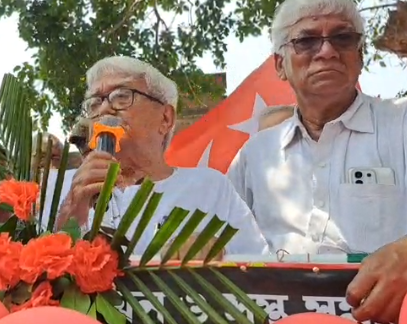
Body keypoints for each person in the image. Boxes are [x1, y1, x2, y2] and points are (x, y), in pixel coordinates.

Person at [226, 0, 407, 323]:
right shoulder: (255, 155)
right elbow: (219, 242)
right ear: (280, 65)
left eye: (342, 38)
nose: (326, 51)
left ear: (360, 55)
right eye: (306, 40)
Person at [50, 56, 270, 258]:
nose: (105, 108)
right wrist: (71, 211)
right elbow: (37, 271)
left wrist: (218, 253)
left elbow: (261, 267)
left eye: (121, 96)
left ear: (165, 118)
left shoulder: (210, 187)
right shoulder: (59, 187)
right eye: (94, 103)